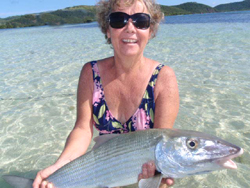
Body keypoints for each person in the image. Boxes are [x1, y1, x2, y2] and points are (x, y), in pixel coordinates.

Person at [33, 0, 179, 187]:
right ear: (108, 30)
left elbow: (163, 142)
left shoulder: (163, 78)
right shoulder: (90, 73)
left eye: (140, 21)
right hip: (103, 172)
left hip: (146, 176)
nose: (130, 28)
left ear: (150, 31)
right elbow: (83, 128)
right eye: (119, 20)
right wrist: (62, 164)